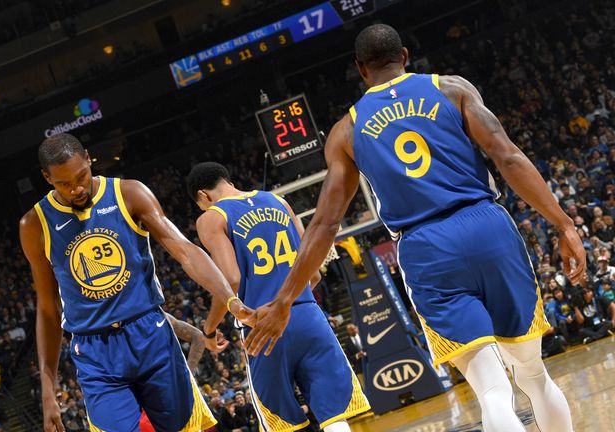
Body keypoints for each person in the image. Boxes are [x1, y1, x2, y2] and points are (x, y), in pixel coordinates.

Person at [244, 24, 586, 432]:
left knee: (492, 390)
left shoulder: (346, 131)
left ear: (360, 69)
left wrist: (284, 299)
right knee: (532, 375)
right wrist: (564, 224)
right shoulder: (452, 89)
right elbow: (507, 156)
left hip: (426, 248)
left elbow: (325, 222)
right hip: (487, 226)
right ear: (405, 56)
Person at [19, 133, 255, 432]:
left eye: (81, 175)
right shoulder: (34, 224)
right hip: (95, 352)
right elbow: (48, 309)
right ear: (46, 177)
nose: (77, 188)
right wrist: (48, 388)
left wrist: (230, 300)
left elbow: (184, 250)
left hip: (150, 333)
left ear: (89, 158)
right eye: (64, 184)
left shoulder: (128, 193)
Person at [186, 162, 370, 432]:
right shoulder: (277, 201)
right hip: (307, 314)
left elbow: (230, 282)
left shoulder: (211, 218)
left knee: (282, 423)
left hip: (262, 326)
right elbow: (314, 273)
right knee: (333, 416)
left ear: (203, 195)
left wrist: (209, 329)